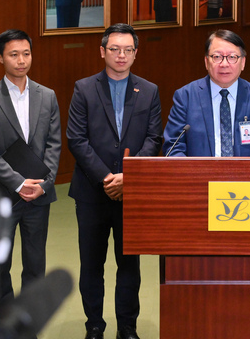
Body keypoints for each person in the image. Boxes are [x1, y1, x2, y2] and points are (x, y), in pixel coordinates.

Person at [67, 23, 162, 339]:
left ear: (136, 53)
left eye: (128, 50)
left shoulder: (149, 90)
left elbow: (154, 138)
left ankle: (127, 327)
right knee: (91, 265)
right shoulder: (84, 88)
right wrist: (108, 178)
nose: (121, 55)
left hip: (132, 194)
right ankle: (94, 325)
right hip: (92, 193)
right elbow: (76, 139)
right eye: (114, 49)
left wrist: (128, 176)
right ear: (102, 51)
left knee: (129, 265)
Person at [0, 29, 61, 311]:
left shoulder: (47, 96)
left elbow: (54, 144)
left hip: (39, 195)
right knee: (0, 264)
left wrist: (44, 184)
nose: (21, 60)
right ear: (0, 57)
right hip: (3, 194)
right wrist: (19, 183)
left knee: (35, 262)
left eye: (26, 53)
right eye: (14, 55)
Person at [163, 29, 250, 157]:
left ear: (243, 63)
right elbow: (173, 147)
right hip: (199, 170)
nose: (224, 64)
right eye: (217, 57)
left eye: (232, 57)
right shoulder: (186, 97)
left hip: (245, 170)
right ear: (206, 62)